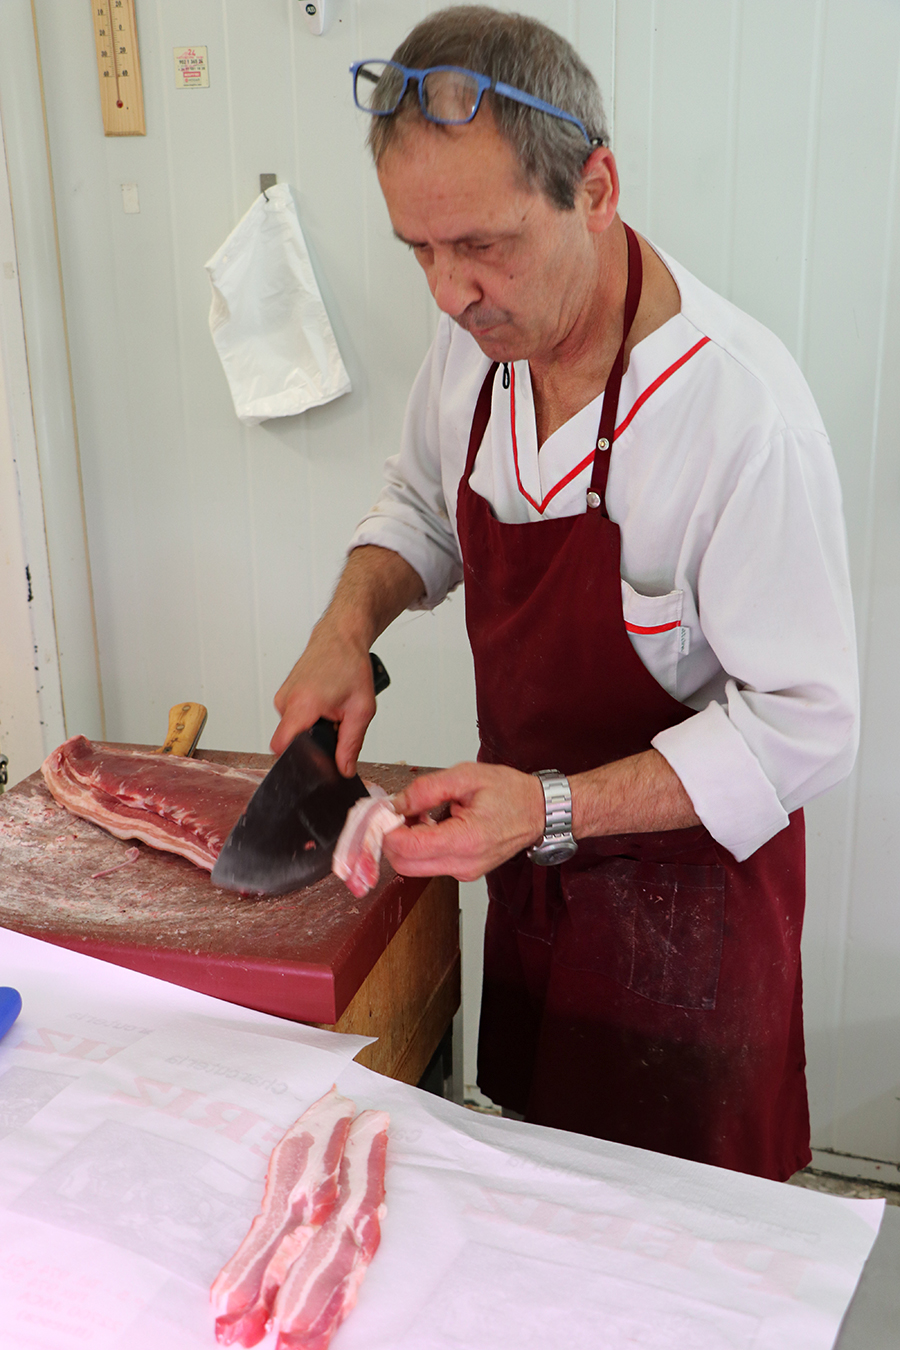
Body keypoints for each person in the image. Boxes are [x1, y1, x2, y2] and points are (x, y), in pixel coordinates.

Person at [272, 7, 858, 1180]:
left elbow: (807, 723)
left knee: (677, 1253)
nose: (450, 294)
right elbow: (422, 511)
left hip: (692, 932)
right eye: (419, 251)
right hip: (537, 889)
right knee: (540, 1204)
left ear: (595, 186)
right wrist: (349, 623)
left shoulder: (738, 416)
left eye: (484, 244)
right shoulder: (481, 344)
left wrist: (544, 811)